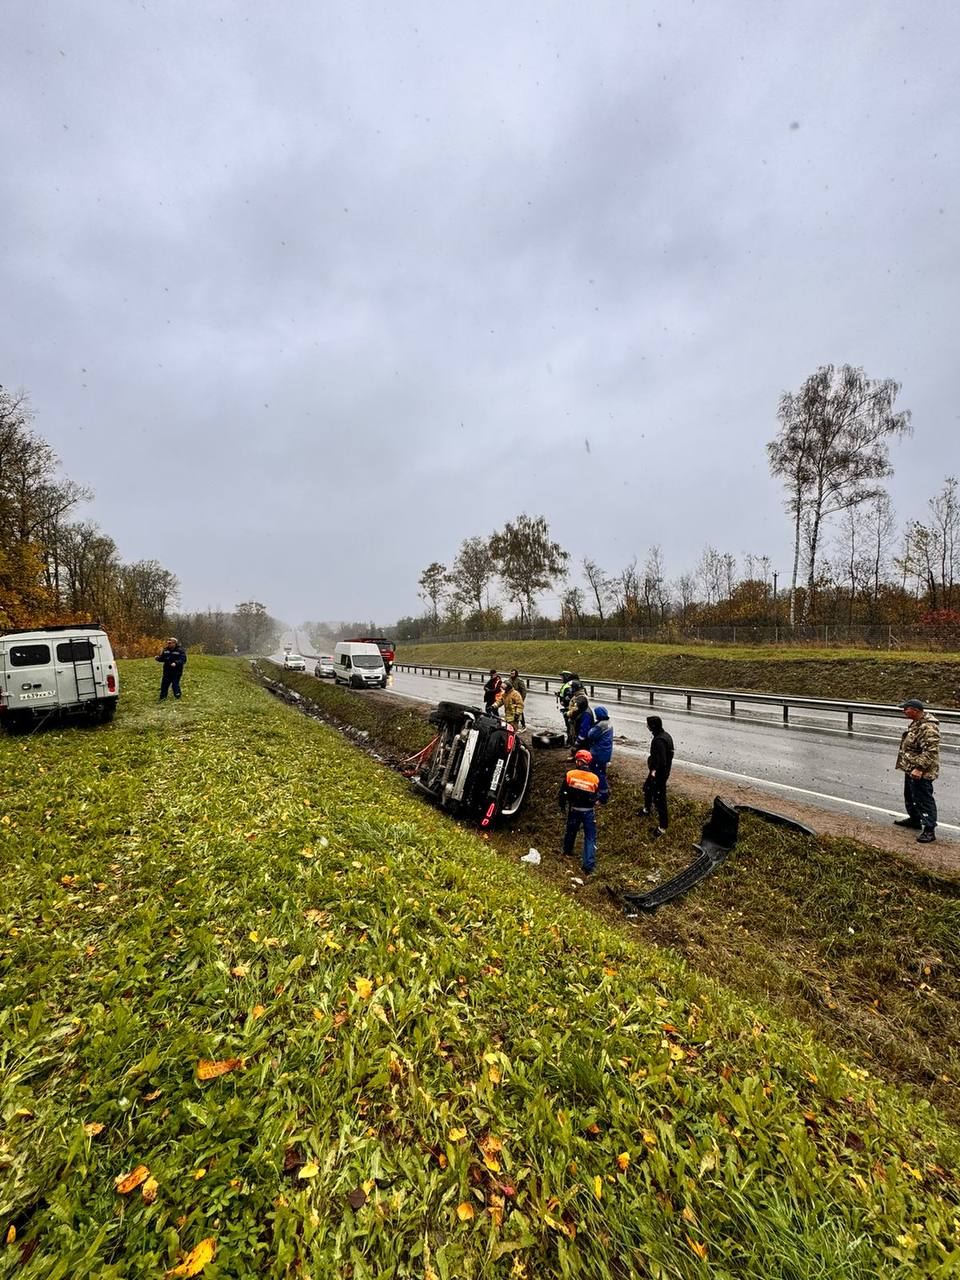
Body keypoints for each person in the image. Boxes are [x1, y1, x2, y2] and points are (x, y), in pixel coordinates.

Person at [894, 698, 940, 843]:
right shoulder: (917, 723)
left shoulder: (928, 727)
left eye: (906, 708)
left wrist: (919, 768)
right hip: (911, 769)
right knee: (911, 796)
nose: (903, 711)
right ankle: (915, 819)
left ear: (915, 710)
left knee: (923, 799)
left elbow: (930, 751)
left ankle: (929, 830)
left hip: (921, 771)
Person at [558, 748, 600, 874]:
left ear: (579, 761)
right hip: (588, 811)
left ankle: (567, 851)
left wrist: (562, 806)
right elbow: (596, 795)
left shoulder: (570, 775)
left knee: (571, 832)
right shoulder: (594, 778)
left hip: (574, 809)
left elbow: (562, 793)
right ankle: (588, 865)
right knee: (590, 837)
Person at [641, 715, 674, 837]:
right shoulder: (665, 735)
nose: (647, 726)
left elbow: (662, 760)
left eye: (648, 724)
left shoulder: (659, 741)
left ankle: (662, 827)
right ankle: (646, 809)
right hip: (660, 772)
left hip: (660, 774)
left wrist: (654, 770)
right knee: (647, 789)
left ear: (652, 726)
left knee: (660, 799)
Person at [578, 705, 613, 803]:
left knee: (598, 774)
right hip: (605, 752)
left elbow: (590, 735)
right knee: (601, 772)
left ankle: (603, 796)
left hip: (598, 753)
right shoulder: (608, 723)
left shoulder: (601, 725)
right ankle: (602, 792)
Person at [156, 637, 187, 701]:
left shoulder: (180, 650)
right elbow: (162, 658)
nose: (168, 644)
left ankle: (178, 696)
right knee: (164, 685)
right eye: (167, 643)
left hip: (176, 671)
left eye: (170, 643)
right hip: (167, 671)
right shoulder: (166, 650)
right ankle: (162, 698)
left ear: (174, 643)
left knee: (175, 684)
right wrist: (158, 658)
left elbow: (183, 659)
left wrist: (176, 663)